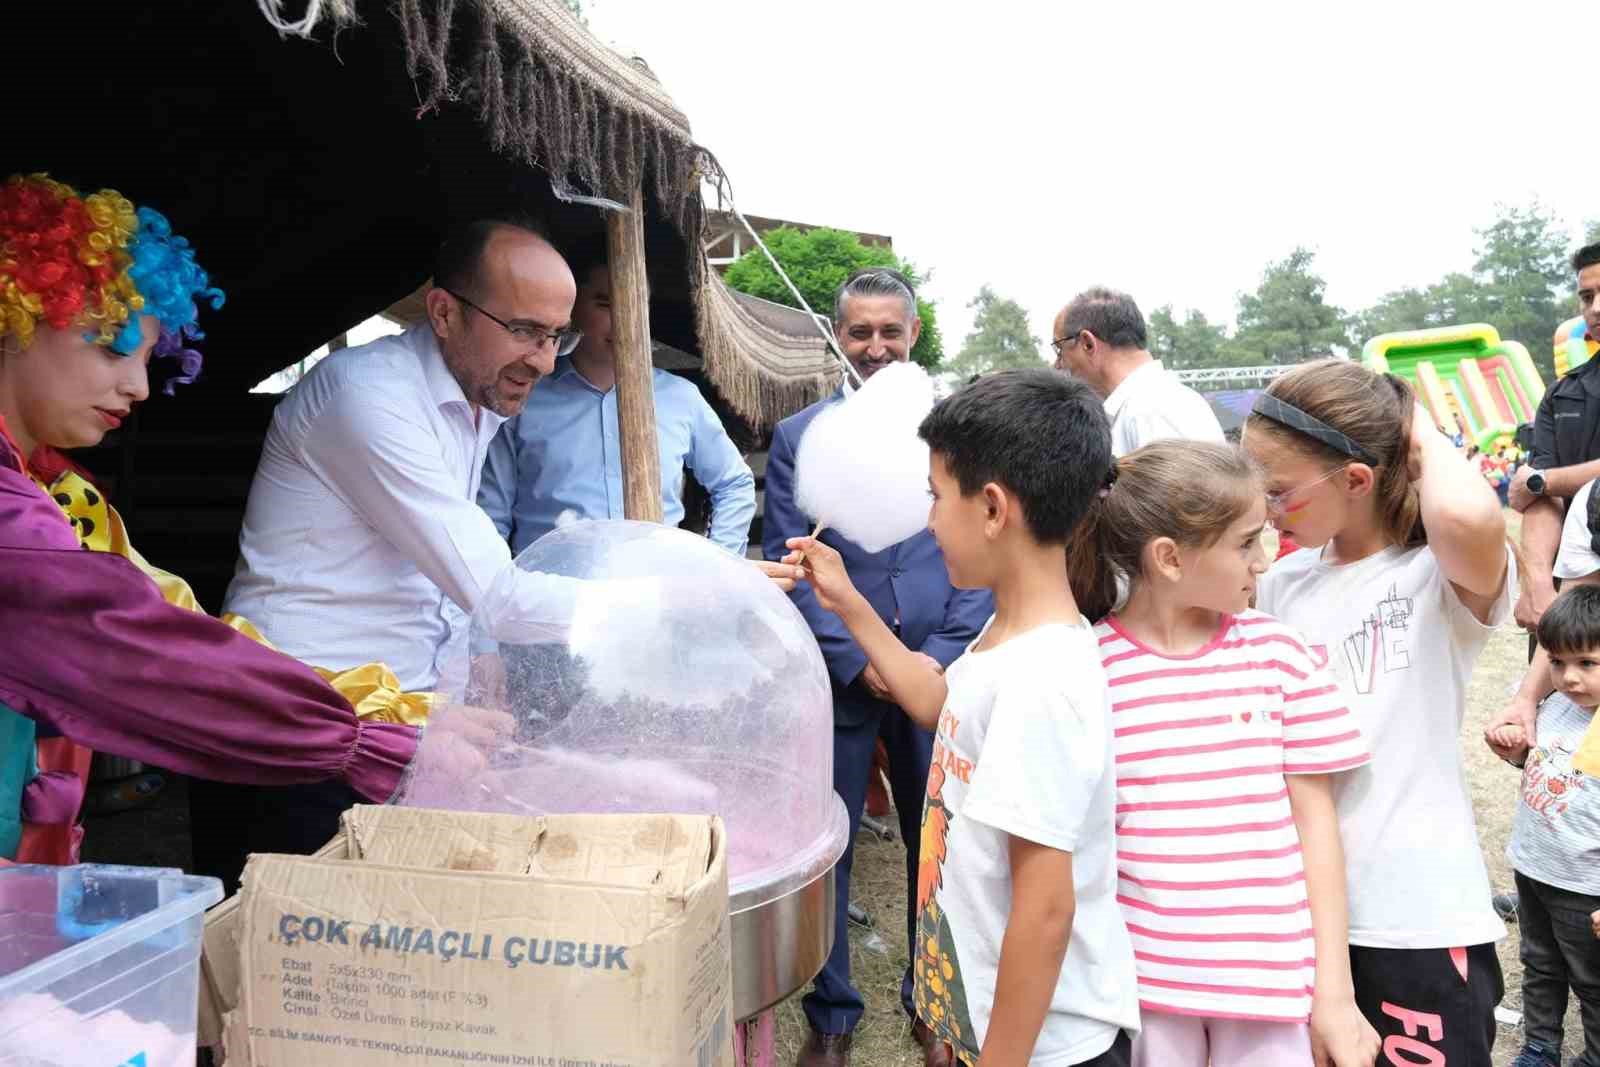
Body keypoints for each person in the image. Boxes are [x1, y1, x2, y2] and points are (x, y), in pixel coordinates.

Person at [216, 219, 792, 888]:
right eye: (523, 330)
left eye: (556, 336)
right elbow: (499, 589)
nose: (546, 361)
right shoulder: (367, 397)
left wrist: (473, 662)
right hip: (305, 723)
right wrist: (689, 591)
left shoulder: (481, 400)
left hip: (397, 719)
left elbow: (441, 572)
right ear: (443, 312)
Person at [0, 173, 451, 864]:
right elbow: (136, 651)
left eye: (151, 358)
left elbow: (185, 625)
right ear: (16, 317)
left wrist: (401, 712)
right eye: (112, 346)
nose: (139, 385)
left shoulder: (67, 498)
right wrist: (367, 743)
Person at [784, 369, 1139, 1066]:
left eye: (935, 495)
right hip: (1003, 1025)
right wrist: (849, 601)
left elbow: (1045, 910)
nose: (926, 518)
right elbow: (937, 702)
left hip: (1048, 1047)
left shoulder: (1042, 681)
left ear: (994, 508)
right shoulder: (1009, 636)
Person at [1066, 440, 1377, 1067]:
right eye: (1245, 542)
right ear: (1170, 559)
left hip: (1272, 991)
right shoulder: (1086, 669)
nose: (1263, 561)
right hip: (1144, 993)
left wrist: (1335, 996)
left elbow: (1317, 828)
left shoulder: (1281, 656)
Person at [1243, 359, 1516, 1065]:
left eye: (1277, 492)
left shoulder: (1434, 574)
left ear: (1357, 480)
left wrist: (1405, 412)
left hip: (1412, 918)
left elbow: (1471, 513)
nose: (1265, 511)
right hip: (1302, 919)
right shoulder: (1279, 583)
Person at [764, 267, 992, 1066]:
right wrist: (854, 657)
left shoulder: (958, 431)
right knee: (832, 843)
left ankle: (932, 998)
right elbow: (788, 566)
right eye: (859, 332)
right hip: (843, 675)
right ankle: (832, 1010)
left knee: (941, 841)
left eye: (889, 331)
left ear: (915, 333)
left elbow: (985, 557)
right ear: (837, 335)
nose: (874, 347)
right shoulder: (801, 441)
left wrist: (932, 657)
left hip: (939, 665)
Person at [479, 238, 756, 555]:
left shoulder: (681, 398)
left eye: (636, 302)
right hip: (553, 594)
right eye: (605, 303)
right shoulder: (524, 399)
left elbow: (734, 483)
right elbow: (491, 517)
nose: (624, 316)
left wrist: (722, 565)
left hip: (657, 592)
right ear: (572, 307)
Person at [1487, 585, 1600, 1067]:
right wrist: (1516, 753)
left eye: (1587, 664)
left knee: (1591, 981)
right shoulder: (1553, 704)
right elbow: (1553, 772)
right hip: (1534, 869)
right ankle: (1540, 1046)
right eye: (1557, 662)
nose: (1569, 677)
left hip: (1585, 887)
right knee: (1539, 964)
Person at [1509, 244, 1600, 634]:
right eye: (1586, 296)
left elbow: (1539, 482)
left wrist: (1540, 480)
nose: (1595, 308)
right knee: (1555, 694)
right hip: (1573, 596)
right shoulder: (1563, 392)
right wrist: (1540, 582)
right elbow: (1541, 499)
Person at [1050, 286, 1223, 456]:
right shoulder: (1151, 404)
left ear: (1088, 344)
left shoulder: (1151, 410)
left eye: (1059, 349)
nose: (1058, 365)